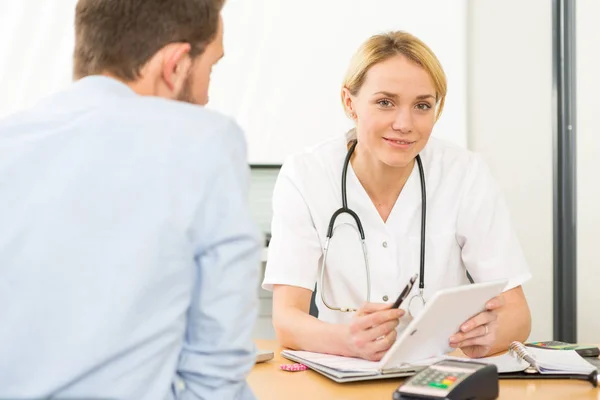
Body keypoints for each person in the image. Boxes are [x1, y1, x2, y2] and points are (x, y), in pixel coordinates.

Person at [0, 0, 262, 399]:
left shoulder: (9, 141)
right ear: (174, 65)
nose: (207, 96)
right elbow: (217, 371)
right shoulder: (204, 141)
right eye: (211, 67)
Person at [263, 31, 532, 362]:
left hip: (439, 378)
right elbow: (287, 319)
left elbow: (518, 315)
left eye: (422, 105)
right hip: (345, 375)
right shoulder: (307, 174)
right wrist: (347, 340)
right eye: (385, 102)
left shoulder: (464, 173)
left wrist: (489, 334)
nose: (404, 124)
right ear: (350, 103)